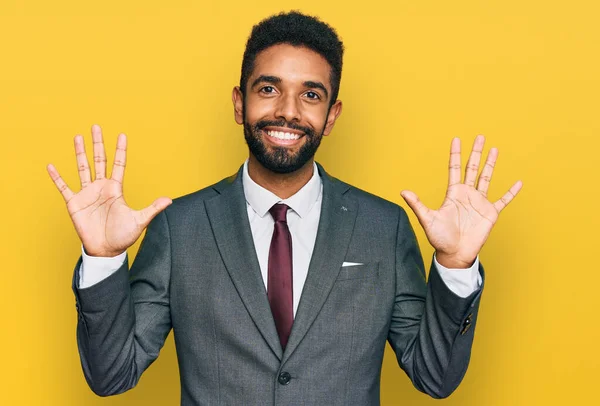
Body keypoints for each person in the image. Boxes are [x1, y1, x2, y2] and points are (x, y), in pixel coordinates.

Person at [47, 11, 521, 406]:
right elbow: (111, 376)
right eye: (268, 89)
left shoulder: (384, 227)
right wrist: (103, 260)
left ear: (331, 115)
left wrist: (456, 266)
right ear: (240, 103)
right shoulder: (179, 228)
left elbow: (434, 377)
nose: (288, 112)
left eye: (311, 95)